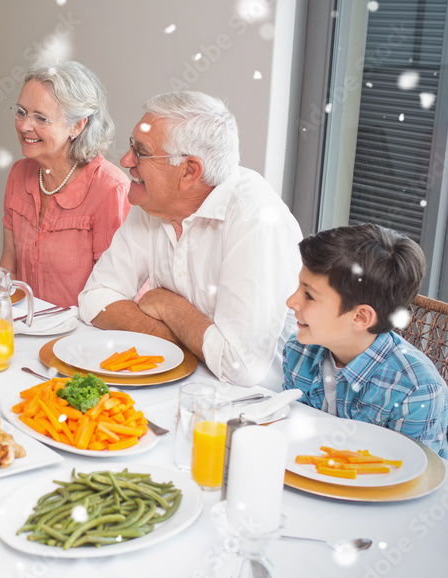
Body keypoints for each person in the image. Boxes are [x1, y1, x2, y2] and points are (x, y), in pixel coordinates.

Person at [78, 91, 302, 388]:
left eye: (141, 152)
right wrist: (183, 339)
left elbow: (239, 367)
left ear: (189, 171)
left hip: (253, 410)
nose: (125, 160)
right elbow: (94, 299)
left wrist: (167, 305)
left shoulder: (256, 218)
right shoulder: (154, 202)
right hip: (176, 384)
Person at [283, 224, 448, 458]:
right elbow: (290, 434)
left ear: (360, 317)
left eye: (309, 295)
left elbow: (411, 477)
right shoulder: (298, 350)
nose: (291, 301)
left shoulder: (416, 391)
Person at [0, 61, 131, 307]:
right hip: (27, 327)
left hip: (84, 337)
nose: (25, 126)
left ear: (77, 126)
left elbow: (116, 296)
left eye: (41, 118)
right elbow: (9, 269)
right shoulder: (19, 174)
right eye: (21, 112)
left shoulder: (110, 190)